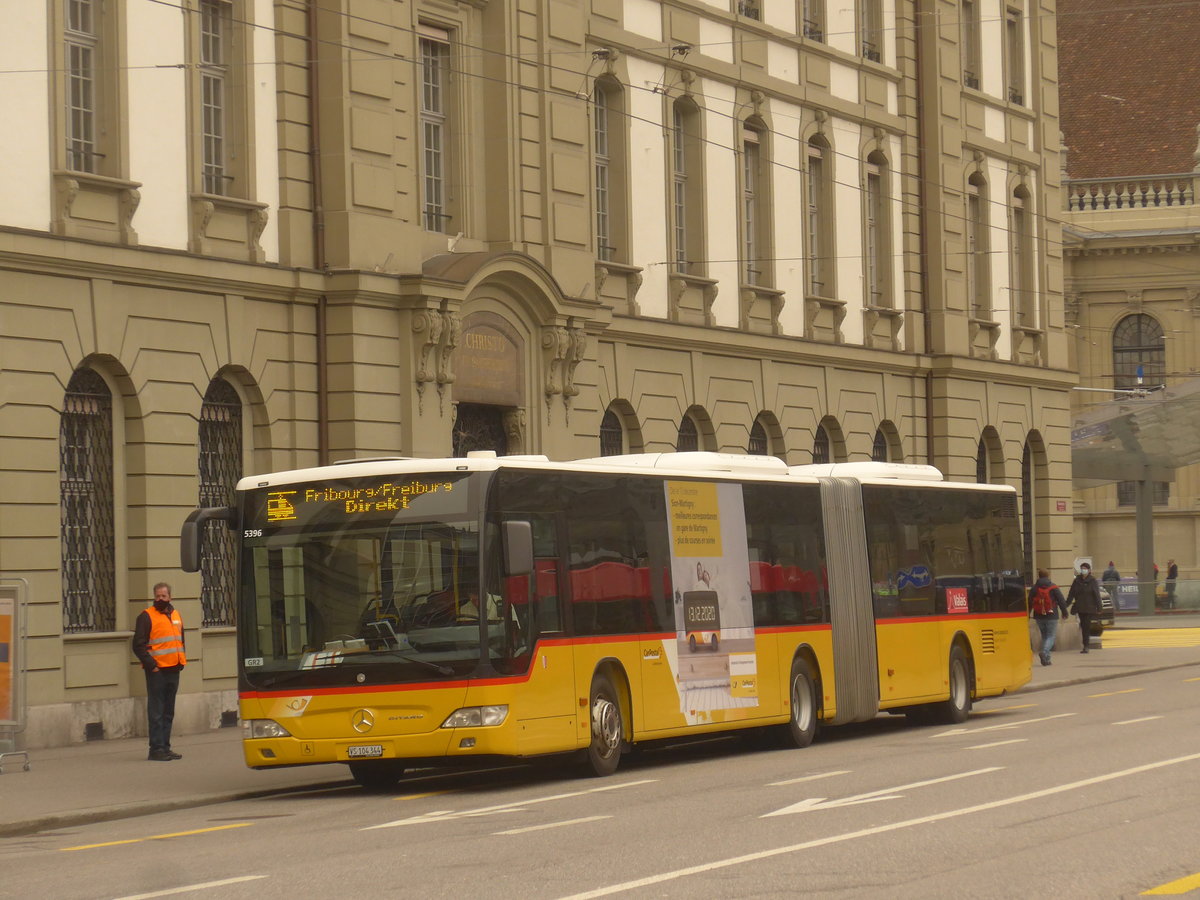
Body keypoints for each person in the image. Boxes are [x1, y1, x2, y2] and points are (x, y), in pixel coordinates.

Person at [132, 583, 186, 761]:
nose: (160, 599)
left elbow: (180, 640)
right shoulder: (146, 616)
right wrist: (151, 666)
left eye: (163, 596)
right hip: (157, 671)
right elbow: (138, 645)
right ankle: (156, 749)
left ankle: (165, 747)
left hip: (174, 669)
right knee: (156, 712)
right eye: (157, 596)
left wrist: (181, 661)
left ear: (170, 597)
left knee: (168, 712)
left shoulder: (176, 615)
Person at [1029, 568, 1069, 666]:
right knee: (1051, 636)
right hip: (1052, 615)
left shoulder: (1034, 588)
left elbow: (1029, 601)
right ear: (1048, 575)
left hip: (1038, 615)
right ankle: (1044, 652)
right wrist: (1065, 613)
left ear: (1039, 576)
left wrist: (1028, 613)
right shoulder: (1053, 587)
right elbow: (1061, 601)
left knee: (1044, 636)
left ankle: (1046, 659)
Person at [1066, 562, 1102, 653]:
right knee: (1083, 625)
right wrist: (1066, 605)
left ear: (1089, 570)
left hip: (1089, 607)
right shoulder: (1077, 580)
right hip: (1080, 607)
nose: (1083, 570)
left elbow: (1096, 594)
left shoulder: (1092, 580)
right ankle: (1085, 644)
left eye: (1085, 568)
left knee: (1086, 626)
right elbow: (1071, 593)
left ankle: (1086, 645)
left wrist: (1099, 607)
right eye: (1082, 568)